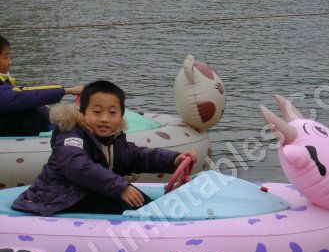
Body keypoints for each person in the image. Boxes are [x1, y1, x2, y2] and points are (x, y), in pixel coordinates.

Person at [12, 80, 197, 216]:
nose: (105, 119)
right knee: (135, 207)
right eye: (97, 112)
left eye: (112, 113)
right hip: (57, 198)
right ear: (83, 113)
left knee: (143, 203)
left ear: (121, 115)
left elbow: (138, 156)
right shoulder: (70, 134)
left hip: (87, 192)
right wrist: (120, 187)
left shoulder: (113, 139)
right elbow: (78, 166)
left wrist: (174, 159)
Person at [0, 34, 84, 136]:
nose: (10, 61)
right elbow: (23, 96)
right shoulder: (7, 93)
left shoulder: (5, 83)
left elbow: (29, 101)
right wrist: (68, 90)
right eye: (6, 57)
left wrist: (59, 117)